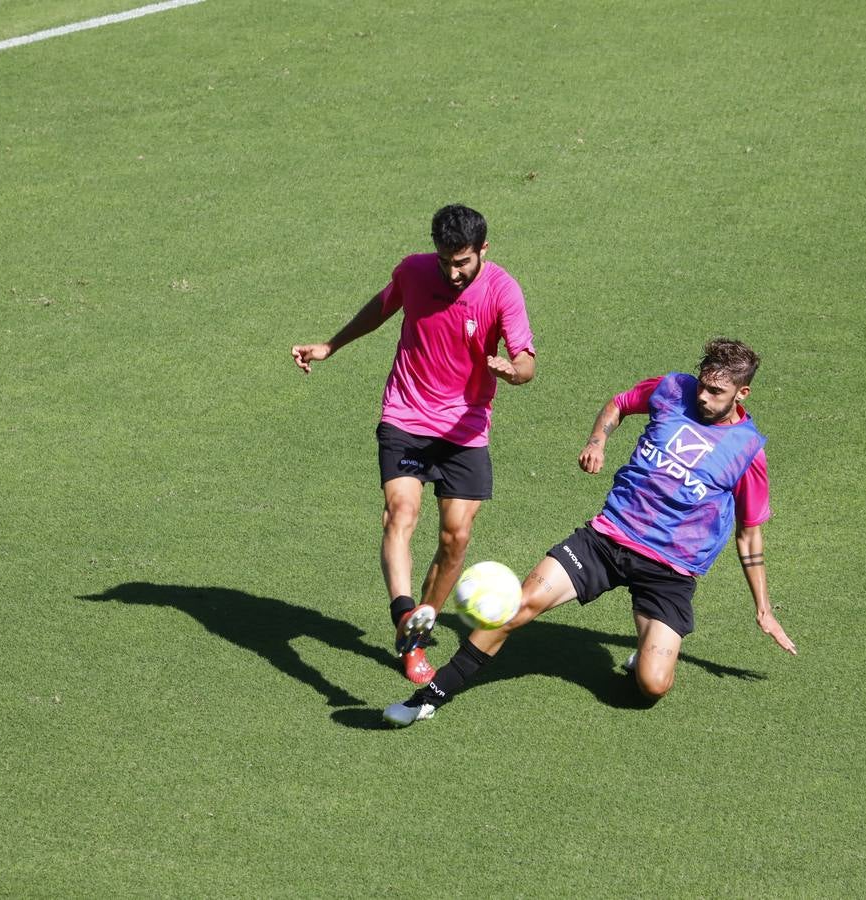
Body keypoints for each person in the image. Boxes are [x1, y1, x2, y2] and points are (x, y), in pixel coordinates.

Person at [383, 337, 795, 726]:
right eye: (703, 385)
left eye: (717, 393)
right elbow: (619, 404)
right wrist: (597, 441)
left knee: (653, 685)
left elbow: (749, 534)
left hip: (671, 569)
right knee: (518, 606)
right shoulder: (672, 389)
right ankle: (429, 698)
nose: (703, 397)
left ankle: (644, 652)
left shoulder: (747, 449)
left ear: (742, 394)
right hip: (607, 538)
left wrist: (763, 608)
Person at [291, 205, 536, 685]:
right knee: (401, 510)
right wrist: (330, 345)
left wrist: (513, 371)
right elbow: (383, 306)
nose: (452, 271)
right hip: (406, 413)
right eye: (445, 259)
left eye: (462, 261)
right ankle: (406, 614)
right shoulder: (414, 270)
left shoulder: (503, 290)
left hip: (465, 429)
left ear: (483, 250)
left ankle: (418, 631)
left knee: (456, 537)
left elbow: (525, 360)